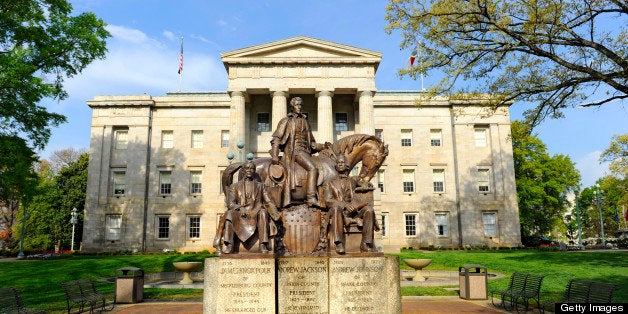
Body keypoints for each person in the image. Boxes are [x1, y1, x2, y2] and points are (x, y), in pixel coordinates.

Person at [270, 96, 329, 207]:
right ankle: (311, 197)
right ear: (292, 107)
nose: (299, 107)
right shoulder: (286, 121)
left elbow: (312, 144)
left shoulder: (305, 121)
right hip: (294, 152)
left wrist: (324, 146)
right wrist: (274, 155)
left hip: (305, 152)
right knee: (312, 168)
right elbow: (276, 138)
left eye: (300, 105)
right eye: (297, 105)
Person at [324, 154, 379, 253]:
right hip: (340, 211)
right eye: (338, 163)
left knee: (369, 210)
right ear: (336, 166)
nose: (340, 164)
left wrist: (366, 184)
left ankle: (365, 244)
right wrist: (345, 205)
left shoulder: (352, 180)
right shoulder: (329, 182)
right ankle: (339, 243)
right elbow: (328, 200)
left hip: (355, 211)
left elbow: (363, 183)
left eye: (342, 162)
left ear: (347, 165)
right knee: (336, 208)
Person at [221, 161, 276, 254]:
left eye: (252, 168)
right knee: (230, 214)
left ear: (254, 171)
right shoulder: (234, 186)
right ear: (243, 171)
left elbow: (268, 201)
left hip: (255, 212)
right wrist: (239, 208)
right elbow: (230, 203)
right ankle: (230, 244)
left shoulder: (260, 186)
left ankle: (263, 244)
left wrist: (275, 212)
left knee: (263, 212)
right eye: (247, 168)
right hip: (240, 213)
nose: (249, 170)